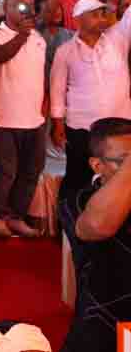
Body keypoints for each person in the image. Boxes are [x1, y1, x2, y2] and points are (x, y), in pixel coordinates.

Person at [0, 0, 47, 238]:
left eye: (29, 6)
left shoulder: (38, 37)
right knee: (6, 170)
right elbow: (0, 57)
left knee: (32, 169)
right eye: (19, 6)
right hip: (3, 115)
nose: (25, 11)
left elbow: (41, 76)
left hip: (34, 118)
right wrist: (22, 34)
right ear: (5, 9)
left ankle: (16, 216)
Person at [59, 117, 131, 352]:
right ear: (97, 166)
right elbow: (100, 225)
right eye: (123, 161)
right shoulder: (77, 201)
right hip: (106, 324)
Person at [50, 0, 131, 195]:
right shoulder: (65, 51)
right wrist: (58, 124)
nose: (101, 17)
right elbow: (57, 91)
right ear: (78, 19)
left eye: (102, 13)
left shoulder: (118, 38)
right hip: (81, 127)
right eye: (94, 14)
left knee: (122, 177)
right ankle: (71, 223)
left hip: (120, 123)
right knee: (78, 176)